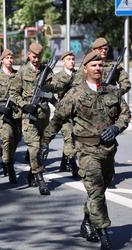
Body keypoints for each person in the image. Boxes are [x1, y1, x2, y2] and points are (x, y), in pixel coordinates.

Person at [40, 51, 131, 249]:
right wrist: (45, 143)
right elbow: (57, 120)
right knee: (97, 191)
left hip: (108, 150)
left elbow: (125, 114)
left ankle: (87, 222)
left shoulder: (112, 90)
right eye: (94, 65)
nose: (98, 68)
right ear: (85, 68)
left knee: (99, 190)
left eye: (101, 66)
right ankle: (105, 235)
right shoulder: (75, 94)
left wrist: (117, 127)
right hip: (86, 150)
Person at [9, 43, 52, 195]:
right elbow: (13, 93)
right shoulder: (22, 71)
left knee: (42, 149)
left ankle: (31, 173)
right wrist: (24, 105)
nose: (36, 60)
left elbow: (52, 91)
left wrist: (49, 92)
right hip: (28, 116)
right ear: (29, 55)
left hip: (43, 115)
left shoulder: (46, 70)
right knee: (34, 148)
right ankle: (41, 179)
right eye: (34, 57)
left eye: (39, 57)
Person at [0, 49, 21, 183]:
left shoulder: (17, 74)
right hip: (2, 113)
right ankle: (9, 165)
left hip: (16, 112)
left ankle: (7, 156)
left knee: (17, 138)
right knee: (7, 137)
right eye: (7, 57)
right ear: (2, 60)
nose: (10, 59)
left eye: (11, 57)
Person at [50, 51, 79, 177]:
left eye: (73, 59)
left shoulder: (79, 75)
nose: (72, 61)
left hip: (77, 113)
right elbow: (51, 90)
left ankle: (63, 163)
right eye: (69, 59)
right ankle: (74, 166)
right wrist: (57, 104)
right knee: (68, 138)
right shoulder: (58, 76)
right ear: (63, 61)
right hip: (64, 114)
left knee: (75, 139)